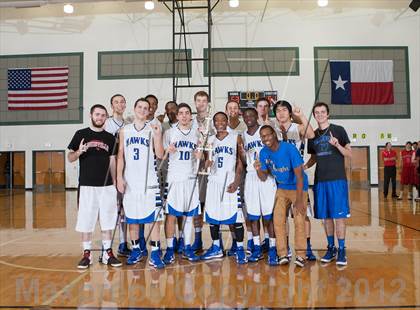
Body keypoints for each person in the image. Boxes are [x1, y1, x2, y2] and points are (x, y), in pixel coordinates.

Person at [68, 104, 122, 269]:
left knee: (107, 220)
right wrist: (79, 152)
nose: (100, 117)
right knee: (86, 220)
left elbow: (113, 161)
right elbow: (70, 158)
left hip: (107, 187)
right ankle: (87, 254)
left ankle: (107, 253)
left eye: (103, 115)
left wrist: (115, 182)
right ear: (91, 115)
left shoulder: (111, 138)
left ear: (106, 118)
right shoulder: (81, 134)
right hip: (87, 185)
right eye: (97, 114)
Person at [117, 98, 165, 268]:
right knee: (133, 219)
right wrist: (119, 177)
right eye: (140, 107)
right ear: (135, 108)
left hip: (149, 181)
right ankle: (136, 250)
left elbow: (160, 155)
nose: (143, 110)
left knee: (154, 220)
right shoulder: (125, 130)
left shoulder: (153, 129)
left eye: (146, 108)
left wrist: (158, 136)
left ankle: (155, 253)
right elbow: (120, 155)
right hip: (130, 181)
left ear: (149, 111)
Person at [255, 125, 309, 267]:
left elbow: (299, 175)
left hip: (298, 187)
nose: (265, 138)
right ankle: (282, 254)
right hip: (282, 188)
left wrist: (299, 200)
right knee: (278, 220)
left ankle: (301, 255)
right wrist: (257, 169)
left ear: (274, 134)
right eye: (262, 136)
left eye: (268, 135)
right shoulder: (263, 153)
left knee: (298, 220)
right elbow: (263, 177)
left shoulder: (289, 149)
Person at [306, 102, 352, 266]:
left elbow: (349, 154)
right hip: (320, 181)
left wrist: (337, 144)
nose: (320, 114)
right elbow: (313, 158)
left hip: (337, 180)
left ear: (328, 114)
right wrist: (303, 167)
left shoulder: (338, 130)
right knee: (326, 218)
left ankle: (342, 250)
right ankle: (331, 247)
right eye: (316, 112)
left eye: (322, 112)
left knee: (338, 217)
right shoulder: (312, 135)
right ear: (314, 115)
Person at [200, 112, 247, 264]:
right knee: (213, 216)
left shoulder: (236, 137)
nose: (219, 122)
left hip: (230, 182)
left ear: (227, 121)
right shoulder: (210, 140)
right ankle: (216, 247)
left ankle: (239, 248)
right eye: (216, 120)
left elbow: (241, 162)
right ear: (213, 123)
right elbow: (206, 162)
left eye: (222, 120)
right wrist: (206, 163)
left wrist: (237, 181)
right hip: (213, 181)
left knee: (235, 216)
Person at [273, 100, 316, 261]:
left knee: (302, 216)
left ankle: (307, 247)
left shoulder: (296, 128)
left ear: (290, 113)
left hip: (297, 179)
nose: (281, 113)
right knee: (281, 217)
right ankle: (285, 250)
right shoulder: (274, 131)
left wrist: (302, 116)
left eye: (284, 110)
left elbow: (311, 134)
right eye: (278, 110)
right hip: (281, 180)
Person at [162, 103, 202, 263]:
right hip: (174, 179)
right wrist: (167, 151)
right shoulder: (169, 133)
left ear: (190, 116)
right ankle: (170, 249)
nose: (184, 116)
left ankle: (187, 247)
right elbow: (162, 155)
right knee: (171, 215)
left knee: (189, 216)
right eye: (181, 113)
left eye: (187, 113)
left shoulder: (197, 134)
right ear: (177, 116)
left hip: (191, 179)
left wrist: (201, 156)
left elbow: (204, 157)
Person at [240, 108, 278, 265]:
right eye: (246, 116)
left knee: (269, 216)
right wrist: (242, 153)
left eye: (251, 115)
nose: (248, 118)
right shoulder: (242, 136)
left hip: (267, 177)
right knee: (253, 216)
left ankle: (273, 249)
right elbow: (243, 161)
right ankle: (256, 247)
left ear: (257, 116)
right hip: (250, 177)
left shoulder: (265, 131)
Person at [103, 94, 133, 258]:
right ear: (111, 105)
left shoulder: (128, 124)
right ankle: (105, 246)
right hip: (110, 170)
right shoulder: (107, 123)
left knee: (124, 209)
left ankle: (123, 242)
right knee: (111, 209)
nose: (120, 104)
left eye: (122, 102)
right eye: (116, 102)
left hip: (126, 169)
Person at [191, 90, 215, 252]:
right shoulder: (190, 121)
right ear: (195, 102)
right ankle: (198, 239)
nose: (201, 103)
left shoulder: (213, 122)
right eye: (198, 100)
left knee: (212, 206)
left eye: (203, 100)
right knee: (197, 207)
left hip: (212, 170)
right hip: (195, 170)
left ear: (208, 103)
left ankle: (216, 241)